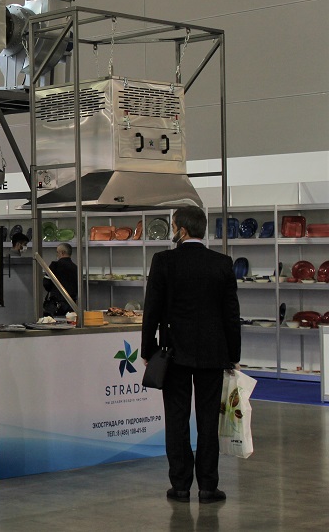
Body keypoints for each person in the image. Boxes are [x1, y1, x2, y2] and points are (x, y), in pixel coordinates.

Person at [142, 206, 240, 504]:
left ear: (181, 230)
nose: (172, 231)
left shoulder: (163, 261)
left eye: (173, 226)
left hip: (173, 353)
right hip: (213, 352)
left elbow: (152, 308)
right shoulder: (222, 263)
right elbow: (231, 314)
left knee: (177, 419)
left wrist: (148, 350)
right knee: (208, 420)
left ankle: (180, 485)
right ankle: (208, 486)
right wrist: (233, 354)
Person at [43, 242, 78, 316]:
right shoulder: (76, 268)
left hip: (56, 306)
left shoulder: (54, 265)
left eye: (57, 252)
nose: (57, 254)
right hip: (72, 305)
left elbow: (46, 283)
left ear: (62, 253)